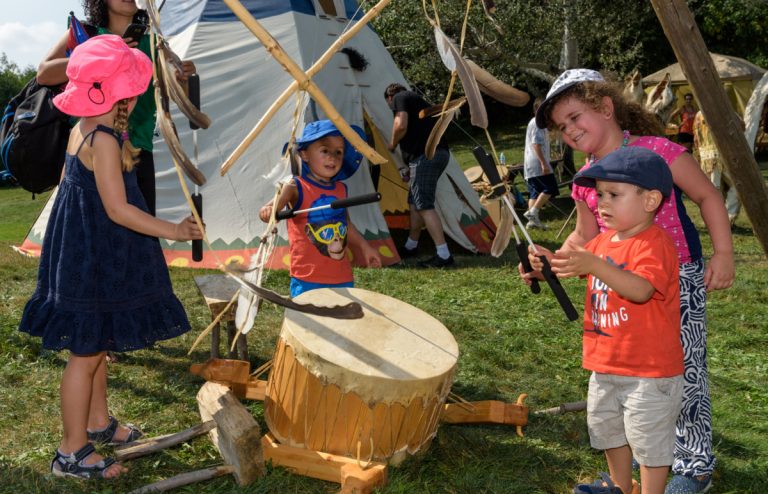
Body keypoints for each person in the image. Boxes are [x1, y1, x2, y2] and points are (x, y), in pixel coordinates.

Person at [530, 69, 734, 494]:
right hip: (620, 284)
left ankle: (693, 464)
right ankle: (629, 477)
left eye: (574, 117)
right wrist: (550, 260)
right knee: (630, 374)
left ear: (605, 108)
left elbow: (707, 195)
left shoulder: (657, 151)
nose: (568, 131)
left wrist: (724, 254)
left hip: (677, 277)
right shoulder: (589, 181)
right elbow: (586, 239)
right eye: (561, 127)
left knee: (684, 370)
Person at [18, 35, 203, 479]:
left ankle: (98, 423)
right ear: (123, 90)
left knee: (96, 340)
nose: (139, 91)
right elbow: (119, 209)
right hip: (92, 253)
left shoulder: (85, 126)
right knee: (85, 352)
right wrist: (174, 231)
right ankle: (71, 450)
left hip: (87, 251)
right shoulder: (100, 138)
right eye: (134, 84)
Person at [534, 146, 684, 494]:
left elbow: (641, 289)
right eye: (599, 194)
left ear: (650, 200)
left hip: (650, 372)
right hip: (606, 364)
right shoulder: (602, 241)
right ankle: (619, 487)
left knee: (649, 442)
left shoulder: (654, 244)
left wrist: (596, 265)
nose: (602, 203)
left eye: (614, 194)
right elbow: (570, 264)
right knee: (608, 431)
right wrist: (545, 265)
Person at [37, 0, 196, 216]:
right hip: (88, 151)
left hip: (137, 153)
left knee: (139, 237)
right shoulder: (86, 33)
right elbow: (44, 74)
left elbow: (180, 98)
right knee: (87, 231)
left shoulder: (154, 43)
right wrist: (104, 54)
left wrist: (183, 79)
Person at [259, 120, 381, 297]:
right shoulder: (295, 186)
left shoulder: (341, 189)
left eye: (339, 152)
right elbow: (270, 209)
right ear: (305, 154)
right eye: (325, 150)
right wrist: (268, 212)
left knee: (343, 321)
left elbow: (346, 223)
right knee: (309, 323)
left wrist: (365, 247)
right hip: (308, 279)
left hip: (341, 276)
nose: (333, 157)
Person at [384, 83, 454, 268]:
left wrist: (392, 144)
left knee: (424, 205)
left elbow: (400, 125)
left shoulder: (401, 98)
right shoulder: (416, 101)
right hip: (434, 155)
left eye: (389, 105)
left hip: (426, 156)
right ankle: (411, 246)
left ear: (390, 97)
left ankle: (444, 255)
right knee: (415, 202)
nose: (391, 108)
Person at [693, 110, 741, 225]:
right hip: (720, 156)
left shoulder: (698, 114)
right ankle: (725, 218)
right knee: (737, 185)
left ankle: (718, 219)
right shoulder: (720, 109)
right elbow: (741, 126)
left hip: (707, 157)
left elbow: (695, 138)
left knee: (714, 190)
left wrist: (698, 155)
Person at [522, 98, 559, 228]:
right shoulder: (537, 123)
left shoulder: (536, 123)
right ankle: (533, 212)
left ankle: (532, 222)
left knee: (535, 192)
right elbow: (536, 145)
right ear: (539, 110)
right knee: (551, 187)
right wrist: (544, 163)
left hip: (531, 163)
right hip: (537, 163)